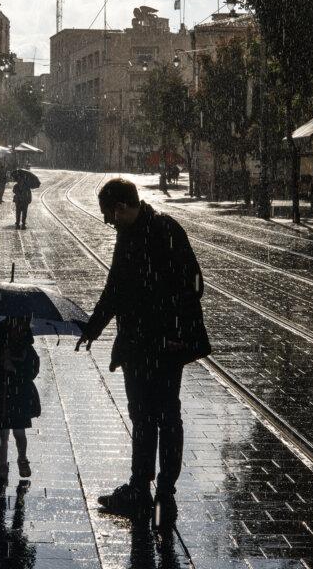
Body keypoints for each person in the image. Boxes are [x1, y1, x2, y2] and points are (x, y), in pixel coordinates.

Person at [75, 177, 211, 527]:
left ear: (121, 208)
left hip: (164, 346)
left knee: (165, 415)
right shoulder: (128, 235)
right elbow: (115, 288)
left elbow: (193, 283)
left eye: (109, 215)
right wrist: (93, 328)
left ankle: (163, 489)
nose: (109, 222)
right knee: (143, 416)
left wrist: (174, 331)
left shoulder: (165, 230)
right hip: (138, 345)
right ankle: (141, 488)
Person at [0, 316, 41, 485]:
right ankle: (3, 466)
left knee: (20, 432)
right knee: (2, 433)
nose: (16, 333)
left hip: (19, 396)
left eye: (19, 330)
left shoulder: (27, 349)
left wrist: (14, 368)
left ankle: (22, 457)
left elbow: (33, 370)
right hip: (0, 395)